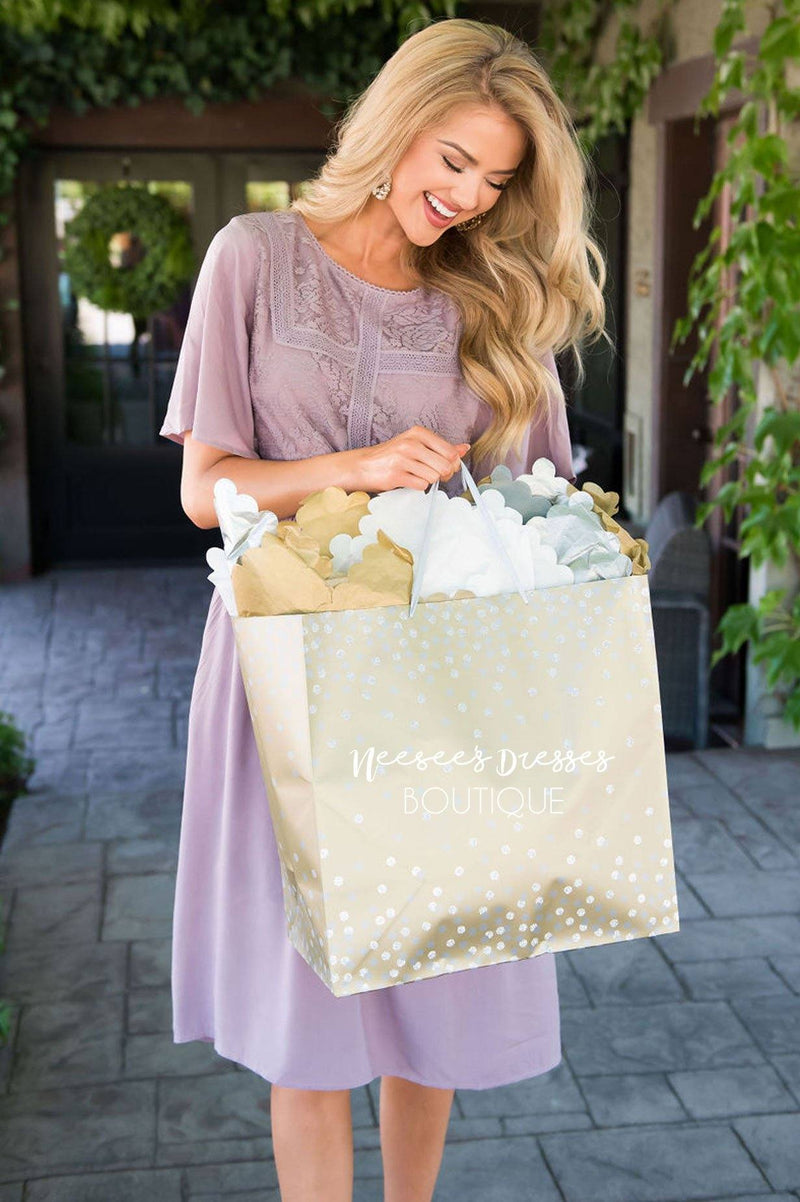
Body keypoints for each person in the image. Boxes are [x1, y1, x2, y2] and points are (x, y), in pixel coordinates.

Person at [159, 16, 606, 1202]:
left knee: (431, 994)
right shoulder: (253, 257)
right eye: (453, 159)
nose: (468, 196)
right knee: (306, 1011)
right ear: (396, 124)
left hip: (440, 683)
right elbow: (206, 489)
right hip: (286, 675)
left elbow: (538, 505)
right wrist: (357, 466)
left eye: (495, 179)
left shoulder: (492, 298)